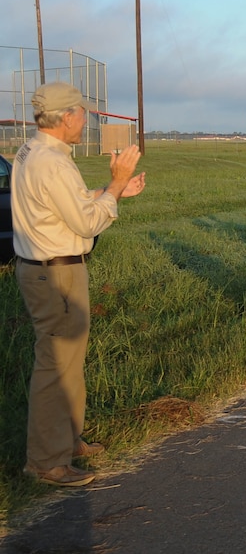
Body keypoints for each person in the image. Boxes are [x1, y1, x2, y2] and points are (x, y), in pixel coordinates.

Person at [12, 82, 146, 487]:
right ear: (66, 116)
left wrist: (109, 192)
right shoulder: (52, 162)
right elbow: (86, 222)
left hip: (46, 267)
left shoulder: (32, 151)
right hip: (57, 273)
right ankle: (46, 463)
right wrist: (117, 183)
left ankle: (68, 442)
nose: (85, 119)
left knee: (68, 362)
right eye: (82, 113)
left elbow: (65, 204)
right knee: (55, 365)